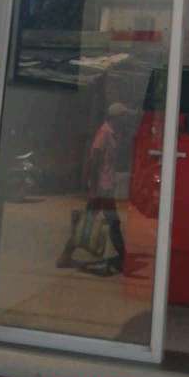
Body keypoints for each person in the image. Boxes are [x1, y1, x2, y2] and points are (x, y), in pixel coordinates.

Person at [56, 102, 133, 275]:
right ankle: (124, 259)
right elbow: (95, 159)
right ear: (116, 117)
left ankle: (65, 256)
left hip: (105, 186)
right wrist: (93, 187)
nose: (125, 119)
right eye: (124, 116)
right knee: (112, 223)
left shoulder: (114, 133)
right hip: (101, 188)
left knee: (88, 222)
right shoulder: (104, 133)